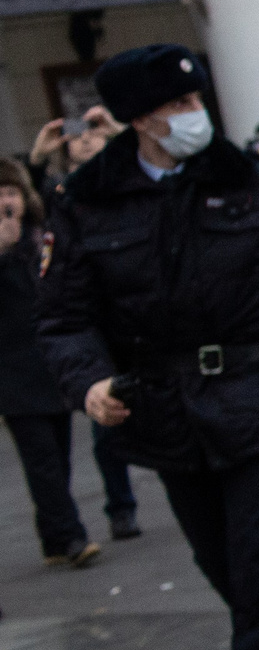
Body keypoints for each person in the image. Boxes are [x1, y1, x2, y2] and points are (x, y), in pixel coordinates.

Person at [36, 44, 259, 650]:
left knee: (253, 559)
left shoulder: (249, 179)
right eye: (180, 106)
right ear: (141, 119)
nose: (196, 116)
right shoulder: (87, 199)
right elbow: (64, 315)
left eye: (197, 101)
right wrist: (89, 383)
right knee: (215, 558)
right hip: (162, 407)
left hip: (253, 396)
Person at [28, 107, 141, 541]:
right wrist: (37, 159)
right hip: (92, 325)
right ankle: (121, 505)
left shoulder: (122, 179)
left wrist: (123, 134)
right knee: (106, 422)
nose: (86, 139)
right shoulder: (59, 191)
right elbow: (30, 207)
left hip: (133, 315)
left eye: (93, 133)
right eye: (78, 136)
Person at [0, 158, 94, 568]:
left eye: (11, 192)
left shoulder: (39, 237)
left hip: (50, 365)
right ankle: (71, 536)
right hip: (12, 373)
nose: (6, 201)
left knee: (58, 456)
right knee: (42, 460)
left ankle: (53, 537)